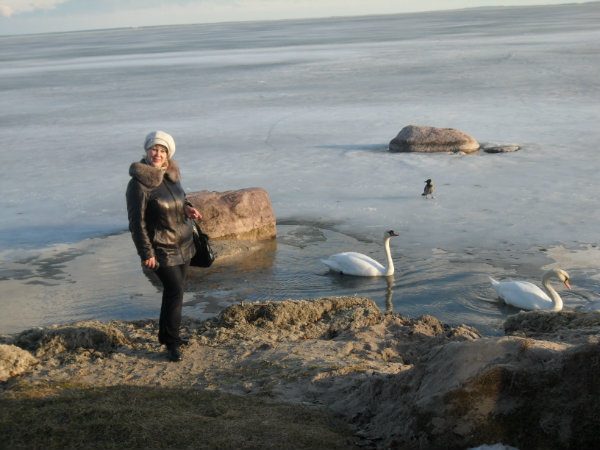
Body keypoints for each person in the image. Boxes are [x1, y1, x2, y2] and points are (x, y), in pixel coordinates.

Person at [126, 130, 201, 362]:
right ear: (147, 151)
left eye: (162, 150)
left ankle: (170, 335)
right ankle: (171, 343)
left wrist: (187, 208)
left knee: (175, 292)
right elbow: (136, 224)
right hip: (161, 249)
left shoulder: (171, 175)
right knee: (175, 290)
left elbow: (180, 198)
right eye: (154, 149)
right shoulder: (138, 185)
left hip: (183, 243)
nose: (157, 154)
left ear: (168, 154)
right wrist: (146, 253)